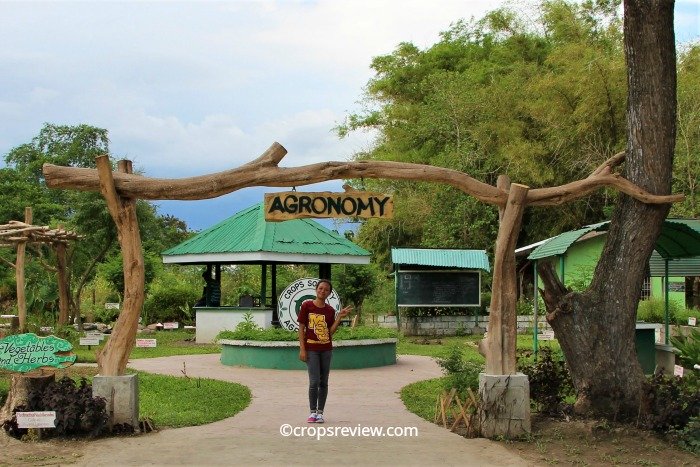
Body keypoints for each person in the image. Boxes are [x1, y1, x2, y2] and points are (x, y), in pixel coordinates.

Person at [297, 279, 352, 424]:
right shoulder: (307, 305)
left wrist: (339, 317)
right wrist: (302, 349)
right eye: (320, 288)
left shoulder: (330, 311)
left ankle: (320, 413)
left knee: (324, 382)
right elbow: (301, 328)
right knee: (314, 381)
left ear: (329, 293)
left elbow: (329, 332)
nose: (323, 291)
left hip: (326, 349)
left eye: (326, 289)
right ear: (316, 289)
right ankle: (312, 412)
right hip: (311, 349)